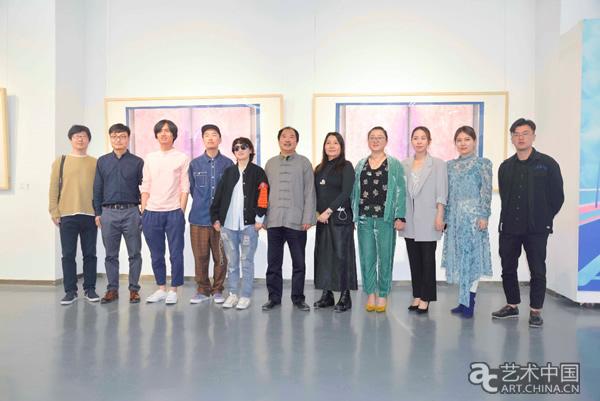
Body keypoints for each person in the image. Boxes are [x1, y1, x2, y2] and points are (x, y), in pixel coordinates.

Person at [492, 118, 564, 327]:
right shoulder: (506, 167)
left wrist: (544, 218)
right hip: (510, 227)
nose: (520, 138)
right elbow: (505, 196)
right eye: (516, 134)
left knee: (537, 270)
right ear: (512, 138)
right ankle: (512, 305)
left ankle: (535, 311)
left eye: (525, 133)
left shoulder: (548, 164)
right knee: (508, 267)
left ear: (533, 136)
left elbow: (557, 197)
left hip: (536, 229)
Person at [351, 126, 406, 313]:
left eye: (380, 137)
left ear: (386, 141)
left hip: (386, 219)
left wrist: (400, 216)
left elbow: (400, 191)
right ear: (368, 141)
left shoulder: (394, 164)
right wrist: (353, 215)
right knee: (367, 258)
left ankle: (382, 294)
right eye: (372, 137)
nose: (375, 140)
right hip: (364, 218)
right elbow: (354, 192)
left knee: (385, 257)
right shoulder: (360, 164)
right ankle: (370, 294)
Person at [211, 137, 268, 310]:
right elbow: (218, 196)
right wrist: (215, 218)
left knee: (247, 261)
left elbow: (264, 195)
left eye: (244, 147)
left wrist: (259, 219)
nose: (240, 150)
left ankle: (245, 295)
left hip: (249, 226)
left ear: (250, 150)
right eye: (236, 148)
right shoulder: (228, 172)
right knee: (232, 262)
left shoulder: (258, 172)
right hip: (228, 226)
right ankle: (233, 293)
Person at [262, 126, 316, 311]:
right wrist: (263, 218)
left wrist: (307, 217)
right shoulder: (270, 164)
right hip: (274, 220)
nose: (287, 140)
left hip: (297, 221)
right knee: (273, 263)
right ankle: (273, 298)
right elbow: (263, 193)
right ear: (278, 140)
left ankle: (298, 298)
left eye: (291, 137)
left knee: (299, 263)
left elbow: (309, 192)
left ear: (296, 141)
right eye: (284, 136)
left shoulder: (304, 163)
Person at [441, 126, 492, 318]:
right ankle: (462, 302)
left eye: (467, 139)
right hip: (455, 218)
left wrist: (484, 215)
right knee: (460, 259)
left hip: (473, 219)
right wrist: (445, 217)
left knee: (471, 260)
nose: (463, 143)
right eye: (459, 140)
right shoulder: (449, 166)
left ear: (474, 141)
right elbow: (447, 194)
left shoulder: (483, 164)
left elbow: (486, 191)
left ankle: (470, 302)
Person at [398, 126, 448, 314]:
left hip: (429, 218)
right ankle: (417, 295)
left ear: (429, 141)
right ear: (411, 141)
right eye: (415, 138)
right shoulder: (404, 164)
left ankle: (426, 298)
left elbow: (442, 192)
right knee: (414, 260)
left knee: (427, 260)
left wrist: (440, 215)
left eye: (423, 138)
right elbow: (400, 193)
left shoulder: (438, 164)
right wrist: (399, 216)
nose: (419, 141)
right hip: (410, 218)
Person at [93, 123, 144, 304]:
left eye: (122, 136)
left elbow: (145, 188)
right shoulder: (102, 161)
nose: (118, 140)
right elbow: (97, 189)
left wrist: (143, 212)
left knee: (134, 253)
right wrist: (97, 213)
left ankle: (134, 290)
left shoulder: (137, 162)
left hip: (132, 212)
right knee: (110, 255)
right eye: (114, 136)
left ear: (128, 138)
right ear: (110, 139)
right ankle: (112, 290)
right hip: (108, 213)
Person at [140, 119, 190, 305]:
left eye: (168, 131)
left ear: (174, 135)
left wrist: (180, 211)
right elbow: (146, 185)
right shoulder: (150, 158)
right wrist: (144, 210)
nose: (163, 134)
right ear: (156, 135)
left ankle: (174, 289)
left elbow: (184, 187)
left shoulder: (181, 158)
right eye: (160, 131)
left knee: (176, 253)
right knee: (156, 254)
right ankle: (161, 288)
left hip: (173, 212)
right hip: (151, 212)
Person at [48, 125, 99, 305]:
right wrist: (54, 210)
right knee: (68, 254)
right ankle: (70, 291)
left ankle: (90, 288)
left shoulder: (95, 162)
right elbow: (54, 187)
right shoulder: (61, 161)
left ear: (88, 139)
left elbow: (99, 189)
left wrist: (99, 212)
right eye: (76, 136)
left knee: (90, 254)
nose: (80, 139)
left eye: (84, 136)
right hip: (67, 214)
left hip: (90, 214)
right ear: (71, 139)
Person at [188, 124, 233, 304]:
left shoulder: (228, 164)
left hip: (221, 220)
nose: (210, 138)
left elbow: (230, 191)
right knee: (200, 257)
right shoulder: (195, 164)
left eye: (214, 135)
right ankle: (202, 290)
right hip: (198, 218)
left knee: (220, 257)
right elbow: (193, 189)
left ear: (220, 139)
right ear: (203, 139)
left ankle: (218, 290)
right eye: (207, 135)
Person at [313, 132, 357, 312]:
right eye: (328, 143)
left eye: (335, 143)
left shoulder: (346, 166)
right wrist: (317, 212)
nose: (331, 146)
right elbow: (314, 193)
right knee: (324, 257)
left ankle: (345, 297)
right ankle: (327, 295)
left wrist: (328, 211)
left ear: (341, 146)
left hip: (339, 219)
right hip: (322, 220)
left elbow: (346, 192)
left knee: (341, 257)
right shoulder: (319, 168)